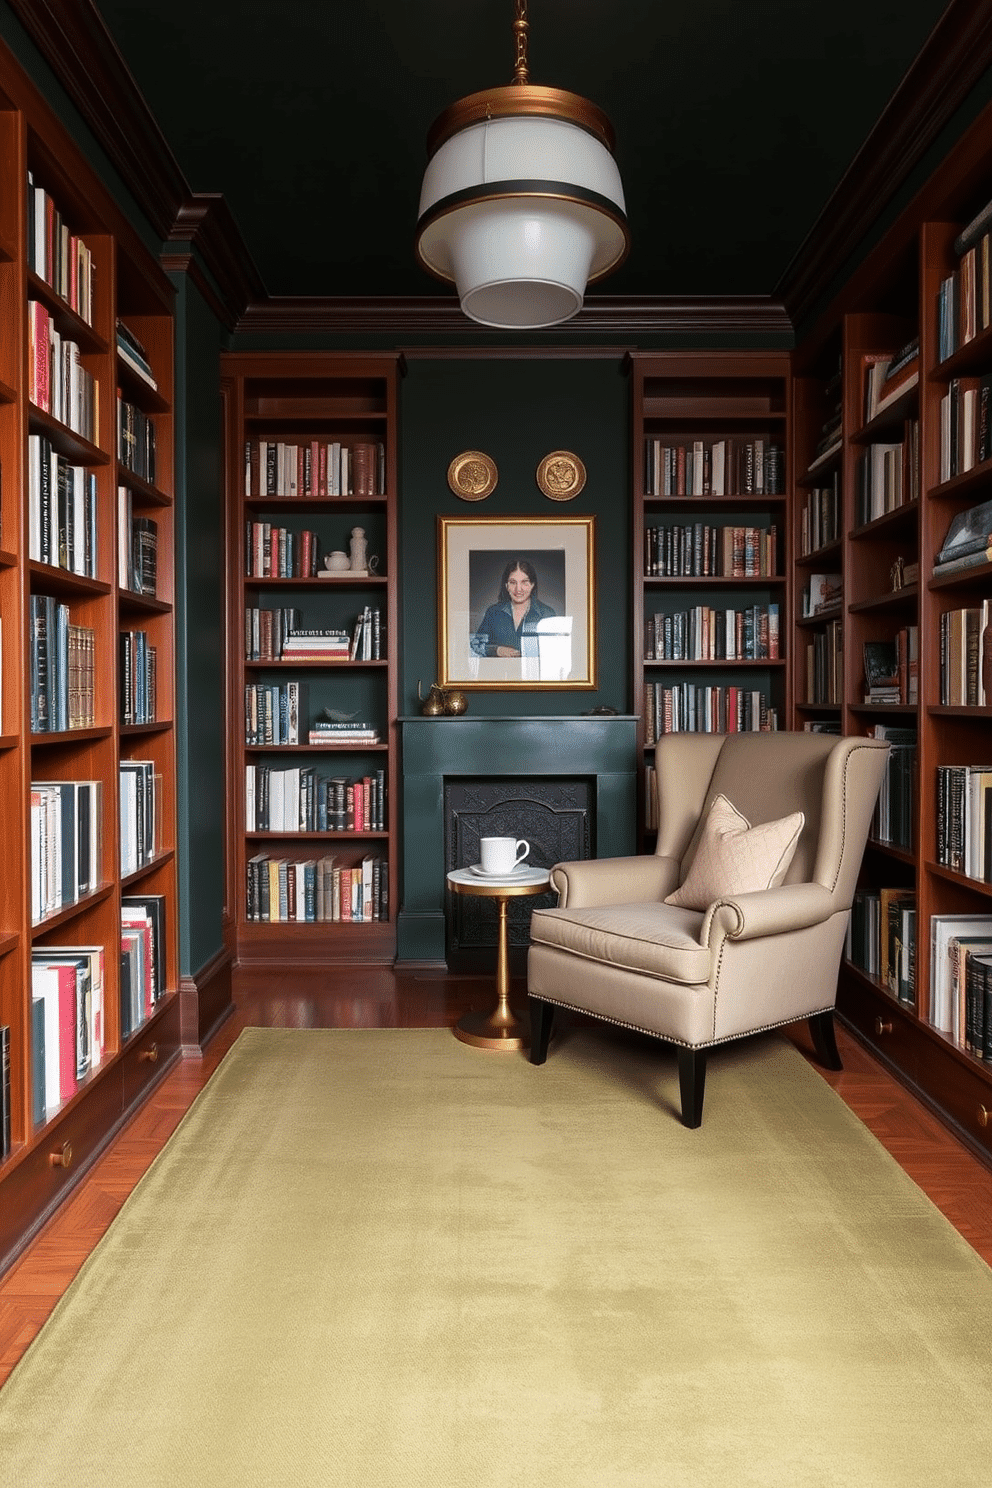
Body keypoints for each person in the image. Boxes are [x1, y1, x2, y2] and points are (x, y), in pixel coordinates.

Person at [471, 558, 556, 658]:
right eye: (513, 582)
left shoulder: (547, 614)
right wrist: (497, 650)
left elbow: (555, 651)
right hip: (498, 672)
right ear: (507, 585)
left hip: (533, 672)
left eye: (524, 582)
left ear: (532, 584)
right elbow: (476, 644)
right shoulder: (493, 612)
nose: (518, 589)